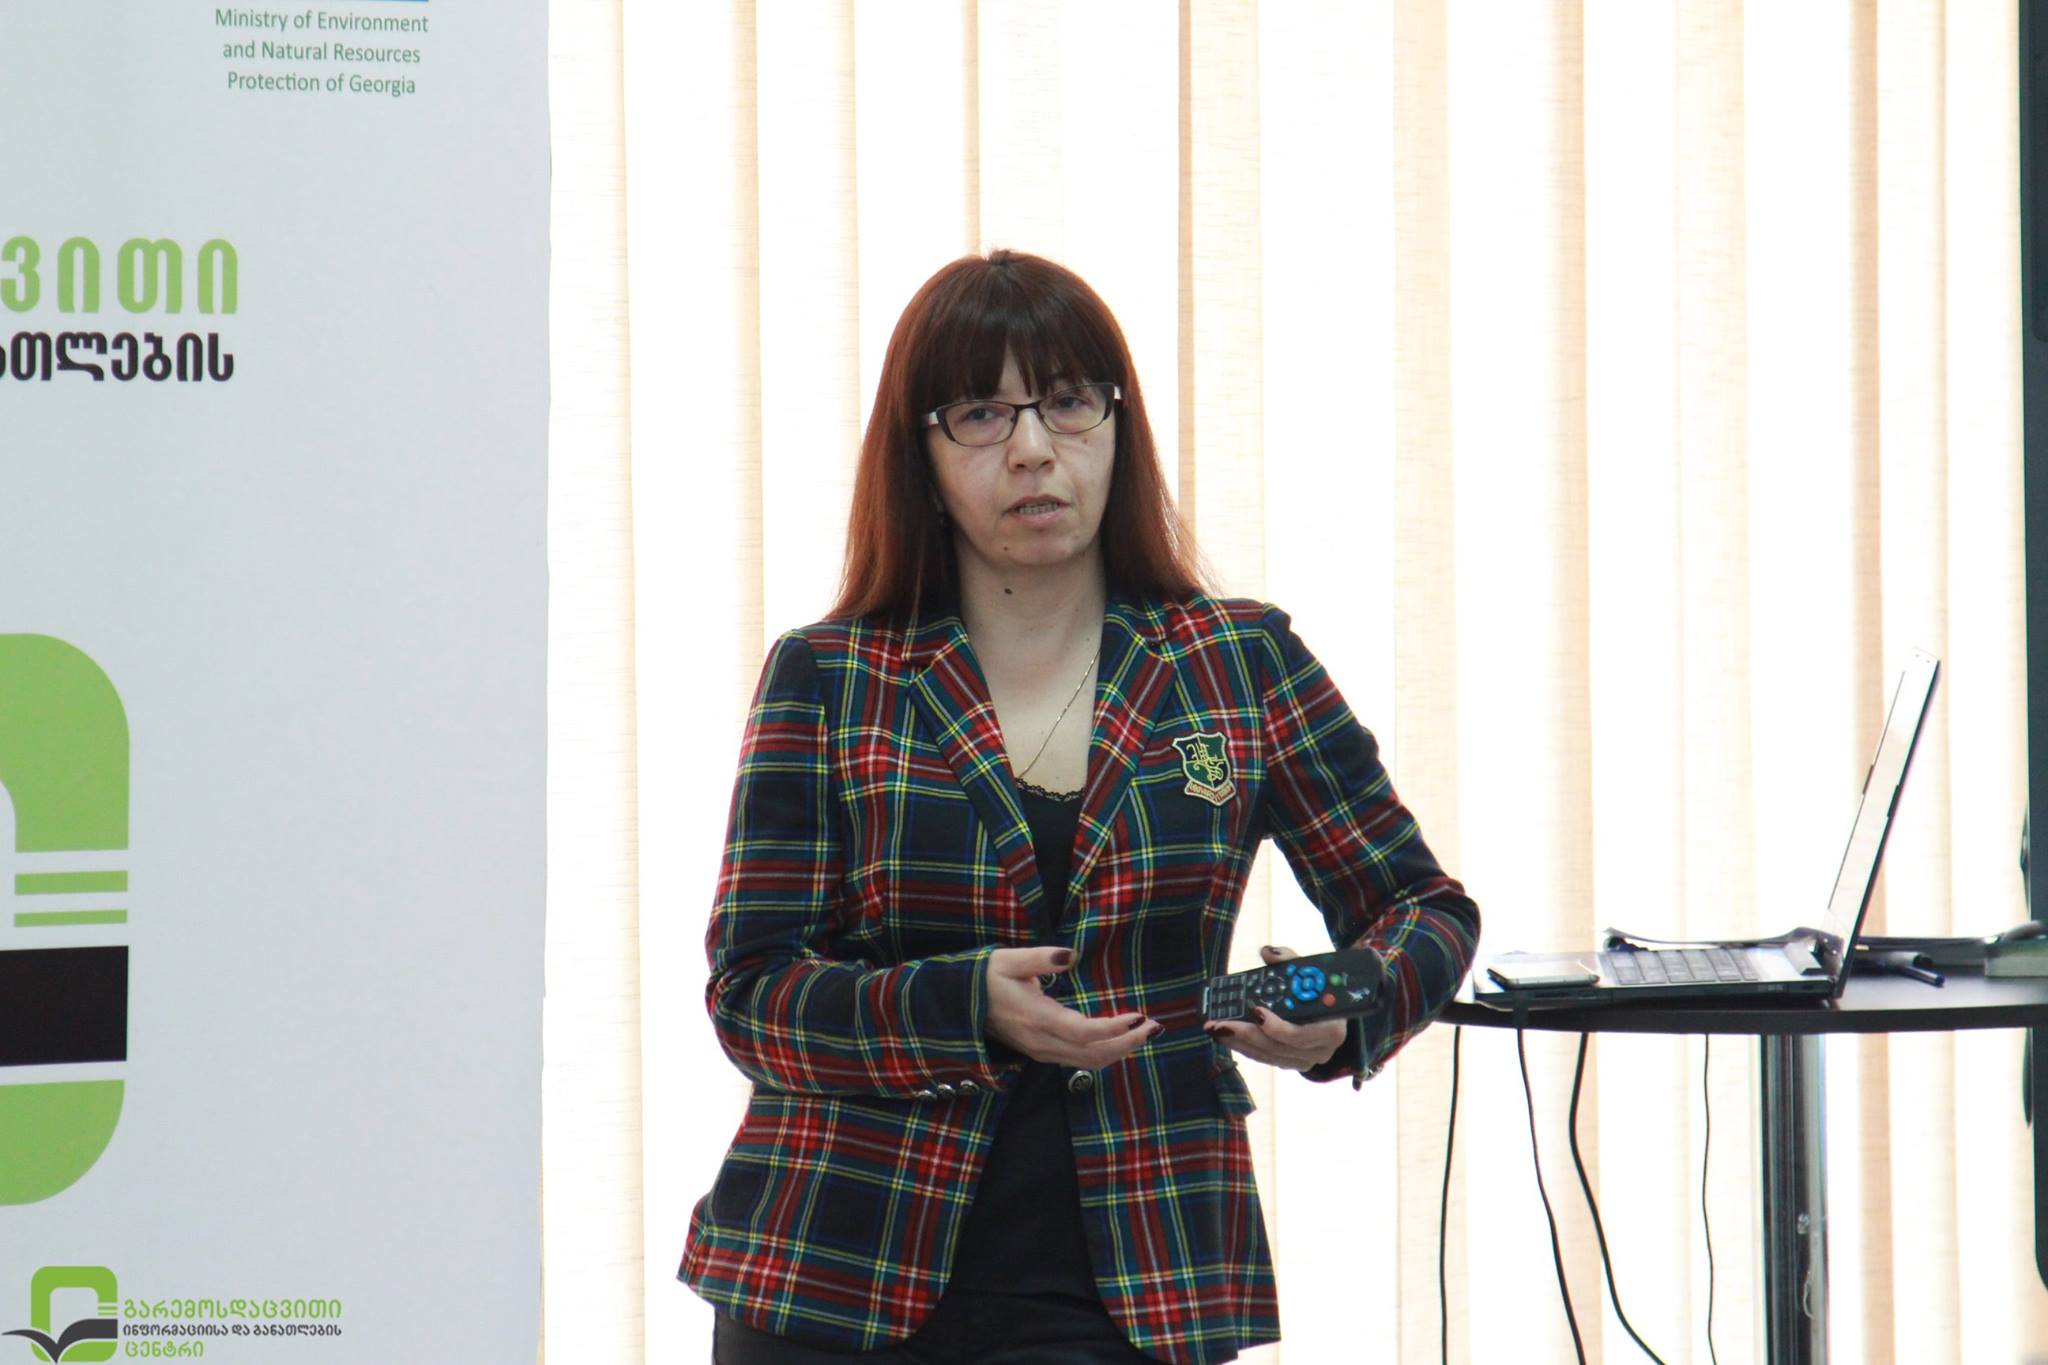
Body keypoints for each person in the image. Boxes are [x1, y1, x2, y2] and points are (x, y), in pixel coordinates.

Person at [680, 249, 1479, 1364]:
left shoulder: (1239, 662)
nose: (1031, 448)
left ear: (1117, 426)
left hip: (1141, 1274)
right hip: (833, 1272)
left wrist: (1347, 1006)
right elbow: (753, 994)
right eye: (978, 414)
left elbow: (1422, 907)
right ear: (920, 457)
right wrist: (963, 1004)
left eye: (1065, 401)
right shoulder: (830, 674)